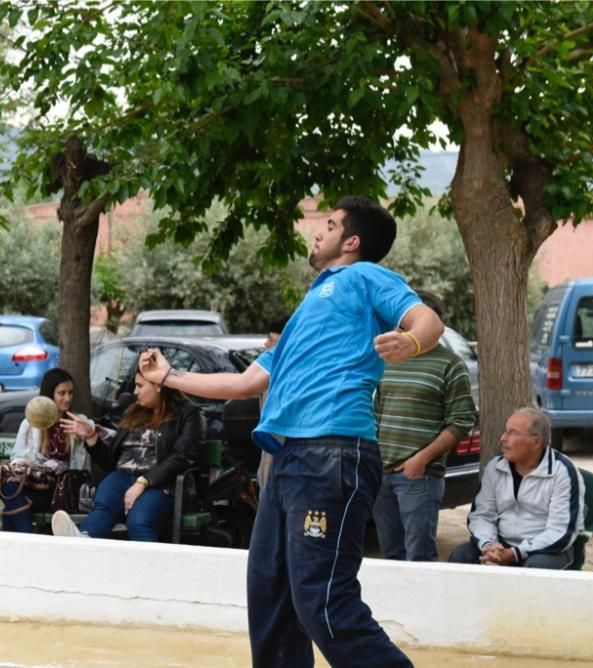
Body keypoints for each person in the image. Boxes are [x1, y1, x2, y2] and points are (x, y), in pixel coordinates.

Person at [140, 196, 442, 667]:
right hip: (288, 461)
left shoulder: (364, 277)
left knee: (321, 601)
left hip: (333, 453)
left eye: (329, 224)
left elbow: (426, 318)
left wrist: (412, 339)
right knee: (271, 593)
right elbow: (244, 383)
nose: (318, 232)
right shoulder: (306, 313)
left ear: (352, 241)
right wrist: (170, 378)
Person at [372, 291, 476, 561]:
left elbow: (462, 420)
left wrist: (420, 461)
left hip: (418, 477)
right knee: (391, 555)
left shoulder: (451, 365)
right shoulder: (389, 361)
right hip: (381, 475)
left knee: (419, 557)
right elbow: (377, 411)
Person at [52, 371, 204, 542]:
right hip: (122, 478)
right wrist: (90, 436)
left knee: (139, 520)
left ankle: (148, 566)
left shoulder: (188, 413)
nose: (135, 392)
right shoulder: (134, 412)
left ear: (159, 386)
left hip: (163, 483)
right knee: (103, 507)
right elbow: (111, 462)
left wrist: (143, 482)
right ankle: (83, 541)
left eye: (140, 386)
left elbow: (182, 457)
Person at [448, 407, 585, 569]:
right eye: (506, 431)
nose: (503, 438)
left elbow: (560, 531)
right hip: (502, 544)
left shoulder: (562, 472)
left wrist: (515, 553)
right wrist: (489, 546)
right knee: (461, 556)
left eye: (513, 433)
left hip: (547, 549)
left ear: (536, 442)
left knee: (535, 568)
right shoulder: (496, 467)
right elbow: (481, 516)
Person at [0, 368, 90, 532]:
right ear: (49, 395)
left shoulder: (78, 422)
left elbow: (105, 436)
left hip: (61, 492)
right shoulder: (31, 422)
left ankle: (24, 542)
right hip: (34, 484)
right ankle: (27, 540)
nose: (67, 398)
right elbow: (17, 456)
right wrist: (23, 467)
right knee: (11, 488)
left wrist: (87, 432)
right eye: (61, 393)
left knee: (12, 507)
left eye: (70, 393)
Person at [257, 314, 290, 491]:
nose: (266, 345)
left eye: (271, 340)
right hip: (268, 460)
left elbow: (240, 386)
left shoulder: (291, 378)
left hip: (287, 462)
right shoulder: (268, 373)